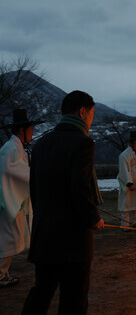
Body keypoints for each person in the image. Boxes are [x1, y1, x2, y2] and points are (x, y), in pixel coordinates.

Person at [22, 90, 104, 314]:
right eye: (92, 114)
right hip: (72, 240)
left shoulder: (41, 144)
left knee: (42, 291)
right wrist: (93, 218)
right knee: (73, 298)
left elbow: (35, 190)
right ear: (83, 111)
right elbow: (80, 189)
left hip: (44, 234)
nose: (91, 119)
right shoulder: (82, 143)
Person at [0, 109, 42, 287]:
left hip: (12, 200)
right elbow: (17, 173)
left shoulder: (17, 148)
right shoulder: (10, 149)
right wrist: (40, 180)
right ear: (22, 130)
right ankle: (0, 275)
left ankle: (2, 273)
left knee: (9, 237)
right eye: (30, 129)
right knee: (8, 238)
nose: (33, 132)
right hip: (7, 201)